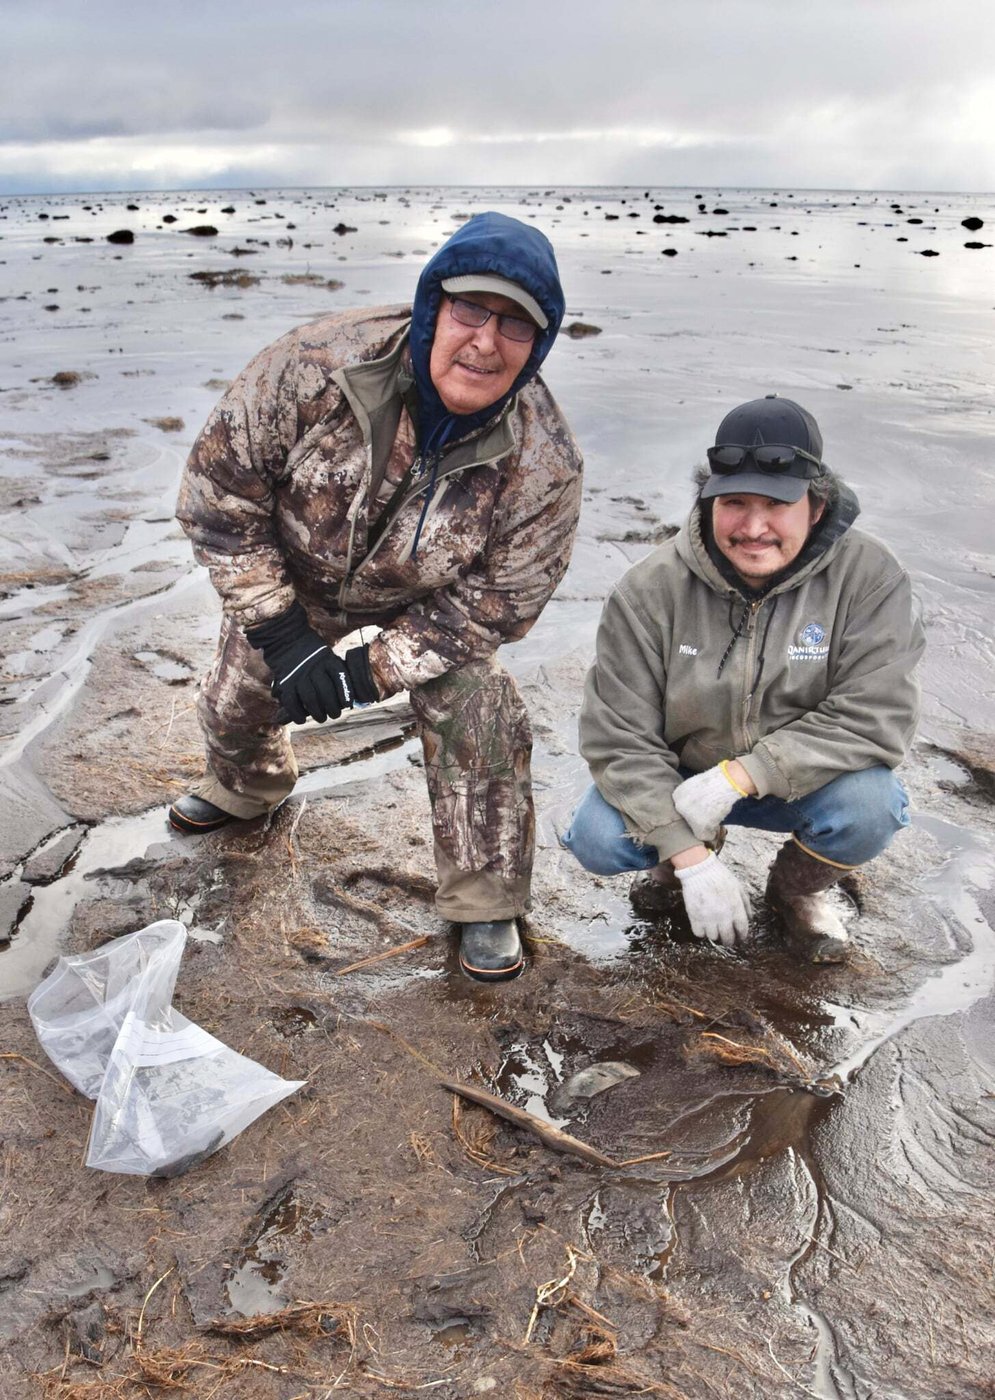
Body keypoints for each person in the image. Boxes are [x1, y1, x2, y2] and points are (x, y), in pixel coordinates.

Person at [169, 211, 583, 983]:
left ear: (540, 343)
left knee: (481, 703)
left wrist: (367, 674)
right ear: (434, 308)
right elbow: (216, 499)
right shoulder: (312, 365)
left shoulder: (545, 462)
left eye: (515, 326)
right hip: (296, 575)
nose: (485, 341)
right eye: (469, 311)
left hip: (430, 603)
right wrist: (286, 638)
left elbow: (499, 602)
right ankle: (248, 787)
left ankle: (484, 894)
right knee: (237, 701)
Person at [563, 394, 924, 962]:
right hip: (682, 780)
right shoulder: (649, 589)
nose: (754, 527)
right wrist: (689, 856)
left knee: (871, 807)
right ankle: (675, 867)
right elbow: (618, 736)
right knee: (597, 836)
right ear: (707, 501)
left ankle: (796, 893)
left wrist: (743, 776)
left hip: (799, 781)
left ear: (818, 505)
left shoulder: (872, 579)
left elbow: (875, 715)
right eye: (734, 502)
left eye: (777, 504)